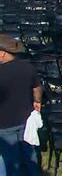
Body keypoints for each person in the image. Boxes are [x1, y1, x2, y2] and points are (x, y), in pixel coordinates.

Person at [0, 34, 42, 175]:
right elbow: (36, 88)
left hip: (5, 125)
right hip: (26, 120)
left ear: (2, 53)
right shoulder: (28, 67)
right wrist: (37, 101)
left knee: (12, 162)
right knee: (30, 158)